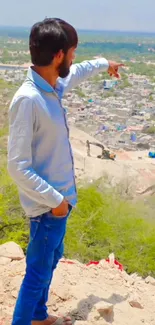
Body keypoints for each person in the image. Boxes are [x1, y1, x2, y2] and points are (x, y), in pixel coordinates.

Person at [7, 18, 123, 325]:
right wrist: (56, 201)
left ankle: (38, 316)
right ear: (59, 55)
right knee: (36, 274)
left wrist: (105, 63)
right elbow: (17, 166)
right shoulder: (29, 99)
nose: (74, 58)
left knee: (50, 262)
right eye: (72, 52)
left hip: (60, 203)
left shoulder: (52, 85)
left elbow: (81, 71)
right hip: (49, 207)